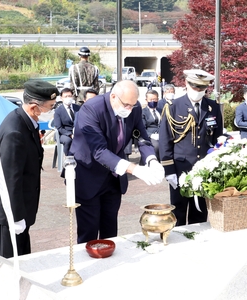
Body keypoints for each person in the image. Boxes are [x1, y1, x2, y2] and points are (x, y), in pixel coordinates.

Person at [69, 80, 164, 243]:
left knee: (110, 229)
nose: (129, 109)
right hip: (89, 174)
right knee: (88, 232)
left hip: (113, 178)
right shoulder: (91, 108)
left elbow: (141, 137)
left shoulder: (133, 109)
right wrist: (135, 169)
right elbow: (99, 150)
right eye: (126, 104)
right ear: (113, 96)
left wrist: (152, 159)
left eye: (133, 105)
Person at [0, 80, 59, 258]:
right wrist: (16, 217)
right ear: (34, 107)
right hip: (7, 212)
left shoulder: (24, 119)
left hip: (19, 207)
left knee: (23, 257)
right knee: (10, 261)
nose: (52, 111)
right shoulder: (15, 132)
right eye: (50, 107)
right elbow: (10, 179)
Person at [159, 69, 223, 226]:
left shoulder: (212, 107)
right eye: (194, 87)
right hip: (180, 167)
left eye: (201, 88)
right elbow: (165, 141)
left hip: (204, 168)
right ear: (186, 84)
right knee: (178, 211)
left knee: (200, 211)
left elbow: (218, 138)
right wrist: (169, 170)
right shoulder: (173, 107)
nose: (198, 91)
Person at [54, 88, 80, 156]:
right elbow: (59, 127)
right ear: (61, 98)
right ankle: (68, 159)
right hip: (63, 133)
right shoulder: (58, 111)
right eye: (66, 96)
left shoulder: (78, 108)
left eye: (70, 96)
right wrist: (70, 134)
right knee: (68, 140)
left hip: (77, 131)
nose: (68, 98)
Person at [142, 90, 162, 161]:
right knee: (156, 146)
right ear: (146, 100)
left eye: (155, 99)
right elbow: (143, 128)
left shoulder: (161, 110)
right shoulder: (143, 112)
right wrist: (151, 135)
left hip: (161, 134)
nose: (153, 101)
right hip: (150, 135)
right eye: (151, 99)